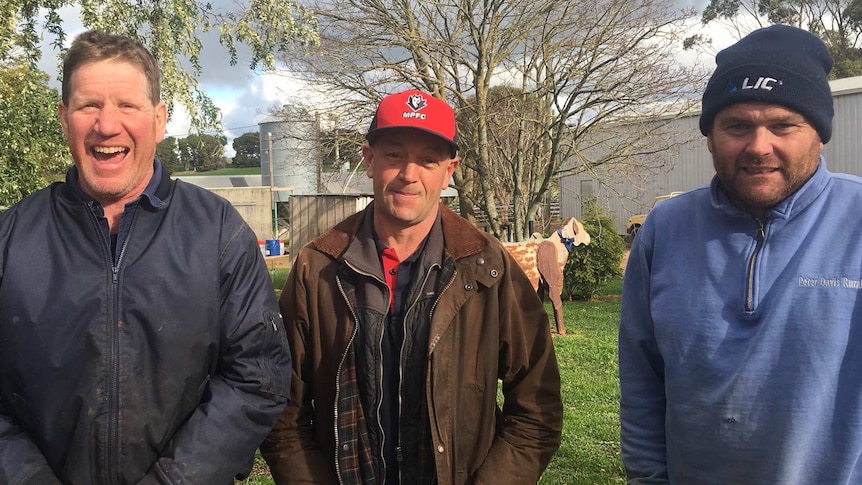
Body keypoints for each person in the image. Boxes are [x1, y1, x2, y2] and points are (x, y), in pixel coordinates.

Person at [0, 30, 291, 483]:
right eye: (88, 105)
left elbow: (258, 375)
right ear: (63, 118)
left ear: (158, 120)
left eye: (127, 106)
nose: (106, 125)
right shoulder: (11, 236)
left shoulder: (216, 231)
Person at [260, 89, 562, 484]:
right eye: (394, 155)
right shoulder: (317, 269)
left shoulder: (487, 268)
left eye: (428, 160)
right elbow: (283, 412)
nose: (409, 174)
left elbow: (536, 408)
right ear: (369, 160)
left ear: (449, 170)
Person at [618, 24, 862, 483]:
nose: (758, 146)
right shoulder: (665, 229)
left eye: (782, 125)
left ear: (819, 134)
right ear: (710, 136)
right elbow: (641, 381)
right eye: (737, 126)